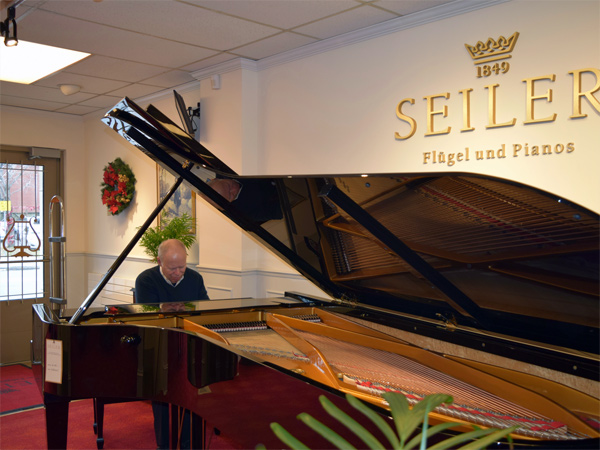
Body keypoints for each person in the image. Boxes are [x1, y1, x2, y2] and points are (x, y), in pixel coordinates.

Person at [135, 238, 208, 449]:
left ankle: (192, 443)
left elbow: (203, 310)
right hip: (160, 346)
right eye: (172, 268)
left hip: (190, 345)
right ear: (159, 261)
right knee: (164, 394)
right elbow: (149, 319)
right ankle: (165, 445)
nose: (178, 273)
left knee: (195, 392)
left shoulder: (195, 278)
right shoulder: (146, 280)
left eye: (182, 267)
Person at [207, 177, 283, 223]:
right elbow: (280, 210)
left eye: (228, 186)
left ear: (216, 179)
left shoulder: (226, 168)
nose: (234, 190)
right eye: (231, 195)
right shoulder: (243, 213)